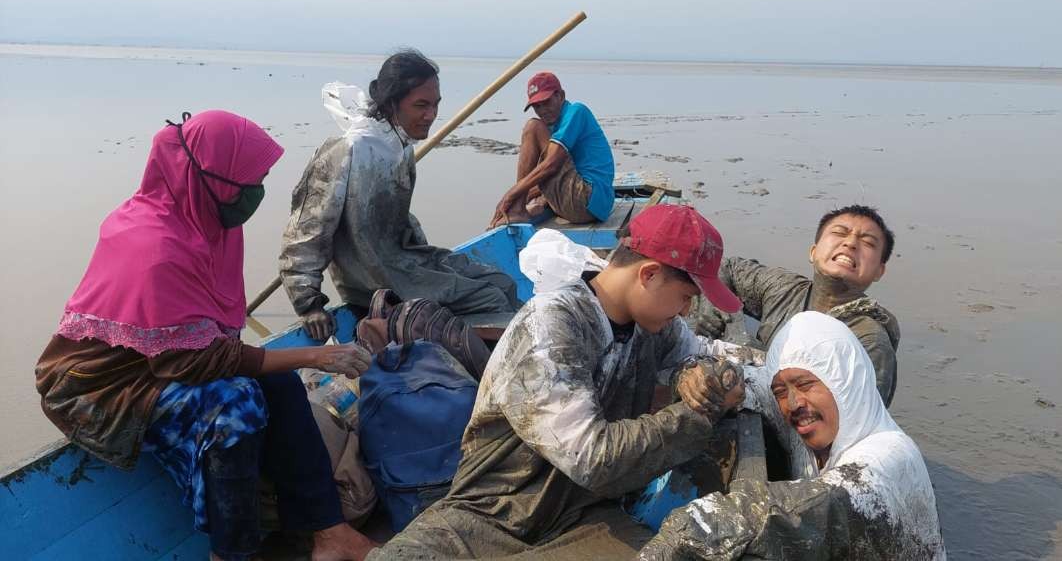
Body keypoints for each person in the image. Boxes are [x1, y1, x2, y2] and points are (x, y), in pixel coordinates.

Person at [35, 111, 375, 561]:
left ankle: (329, 532)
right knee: (235, 405)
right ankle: (231, 553)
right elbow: (197, 362)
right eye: (251, 181)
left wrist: (293, 363)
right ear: (210, 175)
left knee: (277, 383)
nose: (256, 192)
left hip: (162, 360)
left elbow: (209, 343)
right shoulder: (153, 242)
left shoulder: (206, 222)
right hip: (98, 385)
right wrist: (315, 356)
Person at [373, 205, 751, 560]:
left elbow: (697, 356)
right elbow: (591, 457)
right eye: (686, 297)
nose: (686, 311)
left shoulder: (656, 326)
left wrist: (700, 376)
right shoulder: (551, 325)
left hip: (584, 512)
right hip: (493, 511)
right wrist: (698, 415)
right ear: (648, 274)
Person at [639, 311, 946, 560]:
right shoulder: (810, 420)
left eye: (807, 384)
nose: (794, 404)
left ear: (845, 380)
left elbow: (812, 506)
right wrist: (701, 378)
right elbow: (745, 382)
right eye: (781, 392)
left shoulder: (888, 457)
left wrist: (688, 529)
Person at [281, 49, 519, 342]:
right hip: (376, 282)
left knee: (501, 282)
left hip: (405, 261)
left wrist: (427, 258)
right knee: (489, 298)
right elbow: (306, 233)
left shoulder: (400, 145)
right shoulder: (349, 150)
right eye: (421, 105)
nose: (431, 115)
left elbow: (397, 218)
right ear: (392, 103)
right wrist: (308, 303)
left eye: (435, 105)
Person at [690, 204, 901, 406]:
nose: (851, 244)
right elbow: (725, 266)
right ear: (813, 252)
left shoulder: (870, 342)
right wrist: (712, 302)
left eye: (868, 243)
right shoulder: (784, 288)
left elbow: (855, 421)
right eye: (839, 232)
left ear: (879, 272)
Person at [488, 71, 615, 228]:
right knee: (531, 186)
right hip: (598, 206)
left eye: (546, 102)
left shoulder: (576, 111)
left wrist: (511, 195)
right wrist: (531, 193)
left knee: (533, 127)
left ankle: (518, 209)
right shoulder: (554, 125)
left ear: (560, 96)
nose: (542, 111)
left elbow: (551, 165)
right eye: (537, 106)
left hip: (586, 200)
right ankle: (525, 205)